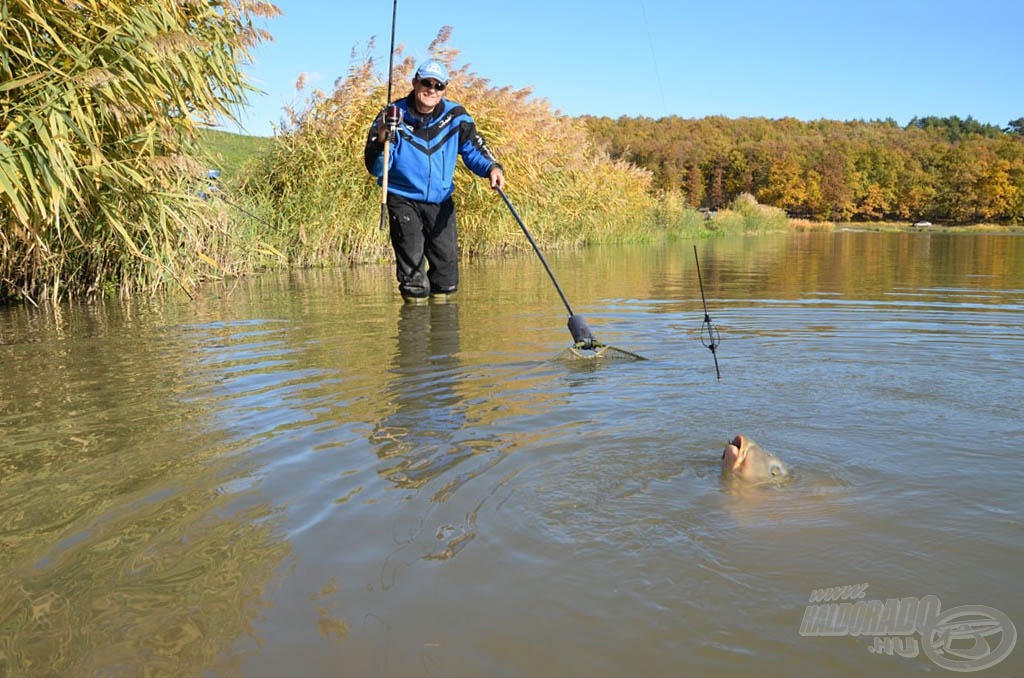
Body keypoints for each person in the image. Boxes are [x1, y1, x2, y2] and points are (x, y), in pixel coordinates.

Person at [364, 59, 505, 302]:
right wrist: (382, 139)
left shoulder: (456, 117)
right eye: (426, 83)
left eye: (438, 85)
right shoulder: (392, 116)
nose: (431, 89)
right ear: (415, 83)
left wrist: (492, 168)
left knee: (446, 276)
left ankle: (443, 334)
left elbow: (474, 151)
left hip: (441, 201)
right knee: (414, 277)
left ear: (444, 88)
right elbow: (377, 169)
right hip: (402, 199)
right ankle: (414, 329)